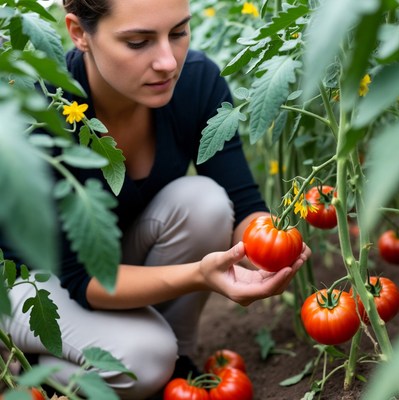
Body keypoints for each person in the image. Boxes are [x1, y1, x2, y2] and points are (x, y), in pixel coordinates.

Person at [0, 0, 311, 399]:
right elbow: (82, 279)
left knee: (207, 202)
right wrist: (202, 274)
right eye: (138, 42)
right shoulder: (46, 116)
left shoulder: (196, 82)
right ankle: (45, 362)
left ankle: (179, 359)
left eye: (178, 33)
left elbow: (244, 205)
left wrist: (272, 248)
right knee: (144, 361)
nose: (168, 61)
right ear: (79, 33)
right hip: (33, 285)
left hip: (109, 261)